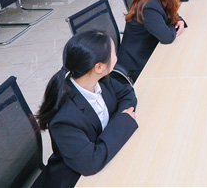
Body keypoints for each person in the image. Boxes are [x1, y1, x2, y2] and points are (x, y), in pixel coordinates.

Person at [35, 31, 138, 188]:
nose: (117, 56)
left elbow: (127, 93)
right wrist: (123, 122)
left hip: (106, 160)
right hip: (75, 180)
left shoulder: (100, 80)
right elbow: (90, 163)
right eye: (114, 53)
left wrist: (109, 134)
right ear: (99, 67)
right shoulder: (64, 119)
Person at [119, 0, 186, 81]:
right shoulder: (148, 7)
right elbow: (167, 37)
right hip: (137, 63)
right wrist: (173, 25)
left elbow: (167, 15)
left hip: (147, 51)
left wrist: (178, 21)